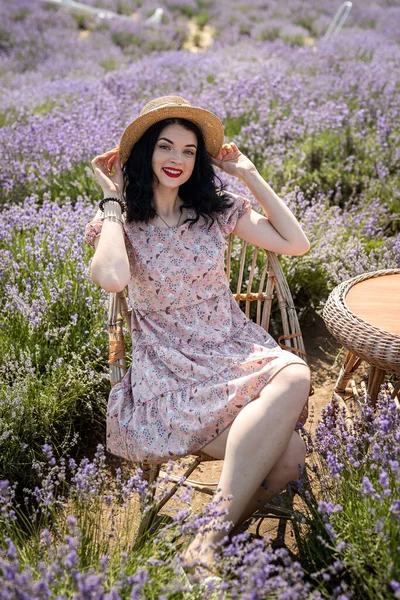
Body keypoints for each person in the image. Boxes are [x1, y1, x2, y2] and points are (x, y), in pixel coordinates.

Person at [84, 95, 311, 580]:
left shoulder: (215, 212)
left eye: (189, 151)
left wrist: (247, 173)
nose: (177, 159)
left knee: (294, 377)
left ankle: (205, 540)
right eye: (166, 146)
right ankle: (212, 542)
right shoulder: (120, 223)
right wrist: (112, 201)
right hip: (170, 373)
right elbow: (111, 278)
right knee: (289, 455)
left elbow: (296, 243)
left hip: (232, 352)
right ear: (144, 153)